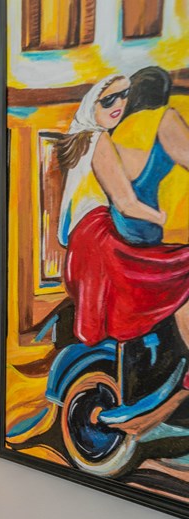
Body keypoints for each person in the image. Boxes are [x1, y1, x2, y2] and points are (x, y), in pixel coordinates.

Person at [61, 72, 189, 435]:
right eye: (109, 100)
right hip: (104, 243)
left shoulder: (91, 138)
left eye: (123, 98)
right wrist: (159, 216)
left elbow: (65, 223)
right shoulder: (99, 139)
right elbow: (126, 202)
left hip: (91, 244)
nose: (118, 106)